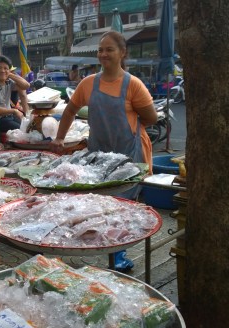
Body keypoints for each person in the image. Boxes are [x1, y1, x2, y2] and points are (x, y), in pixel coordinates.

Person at [50, 31, 158, 273]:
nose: (103, 54)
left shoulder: (133, 85)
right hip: (98, 155)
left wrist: (129, 128)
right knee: (99, 204)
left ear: (122, 53)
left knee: (123, 205)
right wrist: (59, 138)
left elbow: (150, 118)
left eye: (109, 49)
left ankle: (118, 253)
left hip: (129, 154)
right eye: (101, 50)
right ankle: (107, 246)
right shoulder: (88, 84)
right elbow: (69, 111)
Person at [0, 55, 30, 132]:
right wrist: (14, 111)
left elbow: (26, 85)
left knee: (29, 127)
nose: (2, 71)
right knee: (23, 130)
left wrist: (10, 74)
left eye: (5, 68)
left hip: (10, 116)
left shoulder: (8, 81)